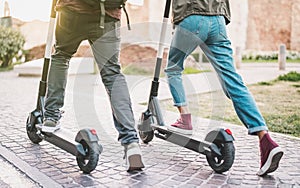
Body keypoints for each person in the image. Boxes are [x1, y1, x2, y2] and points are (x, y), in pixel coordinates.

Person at [164, 0, 283, 176]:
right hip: (218, 20)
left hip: (192, 17)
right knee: (233, 81)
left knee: (173, 68)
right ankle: (265, 139)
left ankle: (184, 117)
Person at [41, 0, 144, 172]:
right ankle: (131, 142)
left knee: (61, 56)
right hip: (107, 15)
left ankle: (51, 116)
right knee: (112, 74)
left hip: (71, 12)